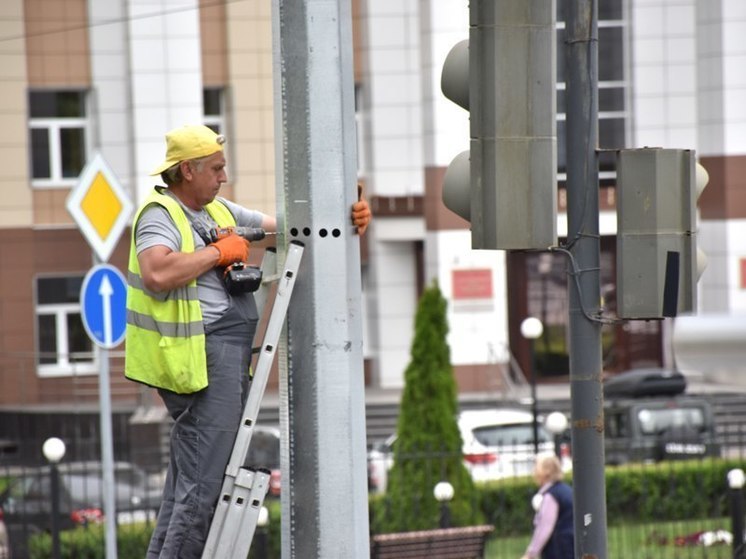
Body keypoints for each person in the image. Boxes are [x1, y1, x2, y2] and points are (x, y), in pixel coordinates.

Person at [124, 124, 371, 558]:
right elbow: (157, 273)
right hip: (198, 364)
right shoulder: (159, 214)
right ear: (187, 170)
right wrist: (219, 253)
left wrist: (346, 213)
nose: (223, 176)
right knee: (203, 493)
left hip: (218, 358)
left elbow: (289, 227)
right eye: (216, 169)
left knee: (184, 493)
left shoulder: (216, 211)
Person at [521, 454, 574, 559]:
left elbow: (544, 527)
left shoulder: (551, 496)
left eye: (536, 467)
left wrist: (530, 554)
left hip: (559, 550)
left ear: (546, 472)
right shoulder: (566, 490)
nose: (534, 471)